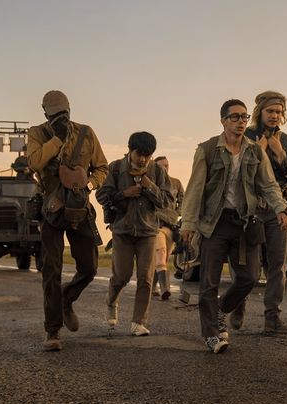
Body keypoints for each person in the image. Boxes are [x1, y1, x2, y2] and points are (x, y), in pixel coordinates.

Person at [179, 99, 287, 354]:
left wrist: (280, 208)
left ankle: (220, 310)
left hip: (244, 223)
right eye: (235, 117)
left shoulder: (254, 151)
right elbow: (195, 187)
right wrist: (188, 223)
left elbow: (268, 184)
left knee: (249, 277)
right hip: (215, 224)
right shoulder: (207, 149)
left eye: (243, 117)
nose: (241, 122)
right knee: (208, 282)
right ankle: (211, 335)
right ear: (223, 121)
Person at [25, 90, 108, 351]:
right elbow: (34, 163)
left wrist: (90, 184)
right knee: (52, 270)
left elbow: (102, 167)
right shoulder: (37, 133)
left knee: (90, 267)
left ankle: (66, 299)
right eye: (55, 114)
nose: (61, 117)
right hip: (51, 207)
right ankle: (52, 331)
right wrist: (57, 139)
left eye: (64, 113)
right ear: (45, 113)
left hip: (79, 205)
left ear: (70, 109)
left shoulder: (86, 132)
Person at [229, 91, 287, 334]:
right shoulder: (245, 135)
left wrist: (279, 153)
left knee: (279, 264)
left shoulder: (286, 140)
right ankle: (238, 304)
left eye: (279, 112)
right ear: (260, 112)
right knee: (249, 265)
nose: (275, 116)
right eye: (270, 111)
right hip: (250, 209)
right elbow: (236, 174)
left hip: (278, 207)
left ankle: (272, 318)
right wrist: (257, 152)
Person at [96, 132, 170, 336]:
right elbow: (101, 195)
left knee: (146, 278)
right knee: (122, 275)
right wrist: (123, 194)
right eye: (139, 154)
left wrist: (149, 186)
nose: (143, 159)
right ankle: (111, 301)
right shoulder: (116, 168)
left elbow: (166, 201)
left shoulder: (156, 171)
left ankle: (139, 322)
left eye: (148, 155)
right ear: (130, 150)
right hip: (122, 231)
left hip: (148, 232)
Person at [152, 155, 185, 300]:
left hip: (171, 227)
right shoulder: (151, 183)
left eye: (167, 165)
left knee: (163, 260)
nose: (165, 168)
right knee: (160, 254)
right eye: (161, 166)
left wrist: (177, 213)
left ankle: (152, 286)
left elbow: (183, 201)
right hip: (156, 226)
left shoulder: (176, 183)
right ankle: (165, 289)